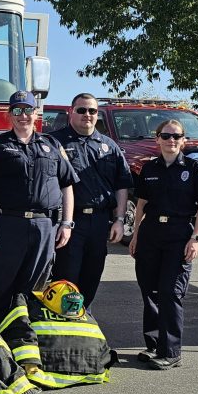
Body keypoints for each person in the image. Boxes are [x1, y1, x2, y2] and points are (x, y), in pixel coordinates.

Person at [0, 90, 79, 325]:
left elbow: (67, 186)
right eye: (17, 110)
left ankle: (25, 339)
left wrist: (66, 223)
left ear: (36, 113)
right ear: (9, 115)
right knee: (0, 285)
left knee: (34, 287)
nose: (23, 115)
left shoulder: (52, 144)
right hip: (7, 225)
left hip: (44, 226)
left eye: (28, 110)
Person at [129, 120, 198, 370]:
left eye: (176, 136)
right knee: (150, 290)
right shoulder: (148, 168)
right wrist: (135, 236)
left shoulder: (194, 168)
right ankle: (155, 345)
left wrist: (196, 238)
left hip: (179, 234)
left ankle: (172, 351)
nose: (171, 140)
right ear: (157, 139)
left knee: (170, 291)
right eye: (166, 136)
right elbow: (141, 205)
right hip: (151, 233)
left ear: (183, 140)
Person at [50, 93, 133, 307]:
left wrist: (120, 219)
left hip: (100, 222)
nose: (87, 115)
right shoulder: (55, 142)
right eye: (81, 110)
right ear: (71, 112)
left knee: (92, 275)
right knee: (65, 277)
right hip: (70, 222)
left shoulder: (109, 146)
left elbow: (121, 185)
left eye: (92, 111)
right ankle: (62, 325)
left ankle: (82, 318)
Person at [0, 280, 117, 389]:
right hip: (94, 373)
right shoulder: (90, 320)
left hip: (43, 374)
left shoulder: (33, 311)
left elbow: (17, 334)